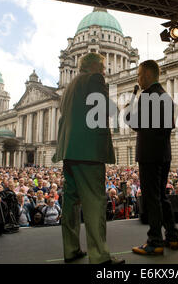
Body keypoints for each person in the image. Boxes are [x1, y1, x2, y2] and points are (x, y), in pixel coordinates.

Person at [52, 53, 124, 264]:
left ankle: (71, 249)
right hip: (89, 151)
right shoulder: (94, 79)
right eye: (103, 68)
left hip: (69, 150)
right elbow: (105, 109)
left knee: (71, 203)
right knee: (94, 203)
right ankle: (100, 257)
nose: (104, 72)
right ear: (95, 67)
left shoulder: (69, 87)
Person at [125, 60, 178, 255]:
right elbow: (169, 126)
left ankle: (154, 240)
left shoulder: (147, 96)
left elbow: (134, 123)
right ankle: (172, 236)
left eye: (139, 75)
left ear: (147, 75)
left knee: (152, 197)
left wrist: (130, 107)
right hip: (164, 153)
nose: (138, 79)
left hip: (149, 154)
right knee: (162, 195)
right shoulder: (166, 96)